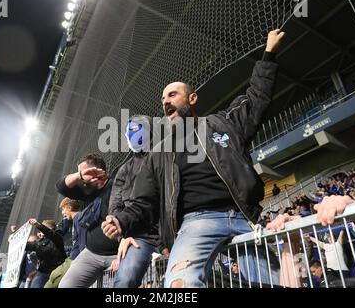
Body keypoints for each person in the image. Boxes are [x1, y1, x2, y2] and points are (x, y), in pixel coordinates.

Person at [102, 29, 285, 287]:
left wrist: (268, 54)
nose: (165, 101)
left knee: (275, 281)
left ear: (192, 98)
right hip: (197, 223)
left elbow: (256, 99)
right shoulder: (159, 153)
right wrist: (121, 221)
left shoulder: (224, 124)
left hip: (243, 216)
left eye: (172, 95)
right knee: (179, 286)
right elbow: (144, 202)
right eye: (163, 98)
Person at [109, 115, 168, 288]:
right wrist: (124, 234)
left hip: (169, 230)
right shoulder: (125, 169)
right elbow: (115, 206)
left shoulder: (166, 156)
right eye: (129, 132)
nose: (132, 135)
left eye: (137, 129)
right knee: (125, 280)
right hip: (139, 236)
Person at [57, 154, 119, 288]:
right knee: (66, 285)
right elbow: (61, 186)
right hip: (92, 253)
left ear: (97, 171)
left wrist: (122, 255)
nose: (81, 179)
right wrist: (80, 175)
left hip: (120, 252)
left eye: (86, 173)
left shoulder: (117, 186)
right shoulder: (88, 191)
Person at [44, 198, 81, 288]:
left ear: (69, 207)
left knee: (52, 282)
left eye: (63, 209)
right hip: (74, 257)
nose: (62, 213)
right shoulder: (73, 221)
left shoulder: (79, 219)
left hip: (76, 258)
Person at [25, 219, 67, 288]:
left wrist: (38, 225)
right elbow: (28, 245)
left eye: (43, 228)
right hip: (43, 273)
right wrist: (14, 241)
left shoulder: (57, 238)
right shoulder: (39, 242)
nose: (40, 232)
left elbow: (50, 234)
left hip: (57, 272)